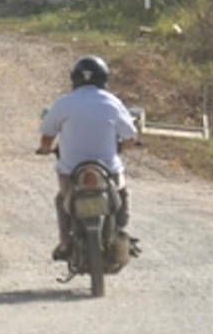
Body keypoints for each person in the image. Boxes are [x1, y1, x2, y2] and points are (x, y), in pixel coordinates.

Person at [35, 55, 138, 260]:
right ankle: (120, 231)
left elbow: (47, 135)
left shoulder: (63, 103)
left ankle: (65, 242)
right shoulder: (113, 103)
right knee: (122, 192)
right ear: (103, 78)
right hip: (108, 169)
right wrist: (121, 147)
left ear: (74, 78)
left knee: (63, 199)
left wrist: (45, 149)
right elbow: (130, 137)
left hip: (71, 171)